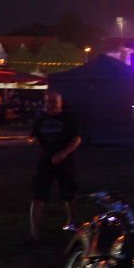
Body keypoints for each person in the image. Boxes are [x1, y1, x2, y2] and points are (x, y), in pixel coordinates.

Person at [26, 90, 82, 243]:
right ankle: (34, 234)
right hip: (45, 162)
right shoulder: (41, 119)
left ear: (60, 102)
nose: (51, 105)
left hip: (65, 162)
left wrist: (63, 154)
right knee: (38, 195)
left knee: (68, 194)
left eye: (54, 102)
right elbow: (34, 136)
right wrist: (33, 140)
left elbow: (76, 140)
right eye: (48, 102)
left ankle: (72, 224)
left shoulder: (68, 118)